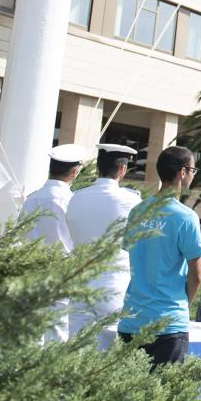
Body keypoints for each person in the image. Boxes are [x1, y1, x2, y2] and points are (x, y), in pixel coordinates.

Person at [117, 145, 201, 369]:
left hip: (132, 319)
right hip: (168, 323)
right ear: (183, 172)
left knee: (127, 398)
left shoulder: (137, 212)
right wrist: (183, 304)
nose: (193, 176)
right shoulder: (186, 217)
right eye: (194, 170)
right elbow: (197, 275)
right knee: (162, 398)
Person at [65, 143, 141, 347]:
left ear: (98, 167)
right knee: (109, 357)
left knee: (76, 351)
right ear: (123, 170)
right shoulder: (131, 200)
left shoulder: (75, 197)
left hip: (80, 283)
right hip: (114, 285)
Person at [21, 144, 91, 343]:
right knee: (58, 335)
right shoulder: (72, 200)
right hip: (63, 272)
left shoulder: (31, 199)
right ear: (75, 172)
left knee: (31, 337)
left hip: (31, 271)